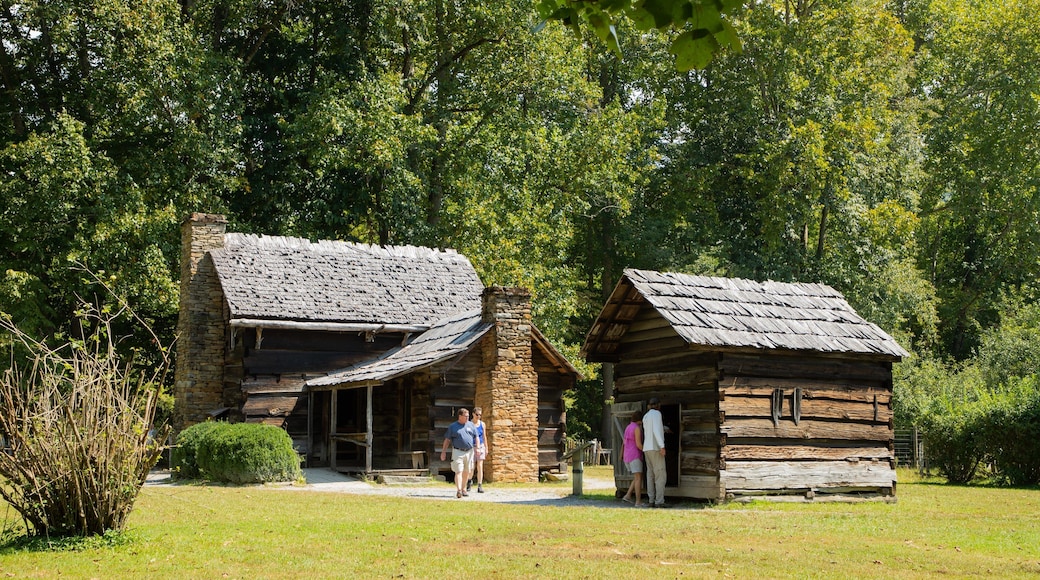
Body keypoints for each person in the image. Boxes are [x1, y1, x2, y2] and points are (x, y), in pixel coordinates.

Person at [440, 408, 479, 498]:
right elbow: (447, 440)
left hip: (469, 451)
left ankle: (464, 489)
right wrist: (443, 452)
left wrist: (478, 447)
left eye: (468, 416)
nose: (467, 418)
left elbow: (476, 436)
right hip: (458, 452)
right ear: (460, 416)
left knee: (467, 471)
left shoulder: (471, 425)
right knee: (459, 471)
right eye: (465, 416)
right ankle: (459, 490)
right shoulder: (453, 426)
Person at [642, 397, 668, 508]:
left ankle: (651, 500)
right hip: (655, 447)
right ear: (658, 405)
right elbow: (656, 430)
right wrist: (662, 446)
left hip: (647, 448)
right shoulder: (657, 414)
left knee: (650, 475)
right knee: (660, 475)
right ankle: (659, 501)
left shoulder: (646, 416)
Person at [621, 410, 645, 507]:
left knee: (636, 477)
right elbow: (639, 445)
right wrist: (646, 450)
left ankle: (628, 495)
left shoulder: (628, 427)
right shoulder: (637, 428)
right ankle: (638, 501)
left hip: (627, 455)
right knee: (638, 478)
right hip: (635, 455)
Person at [469, 406, 488, 493]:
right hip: (472, 447)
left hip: (480, 446)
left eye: (480, 415)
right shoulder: (469, 424)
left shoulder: (482, 424)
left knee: (480, 465)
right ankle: (469, 481)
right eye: (477, 414)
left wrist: (486, 447)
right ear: (473, 414)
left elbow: (484, 436)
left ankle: (480, 485)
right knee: (471, 466)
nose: (478, 416)